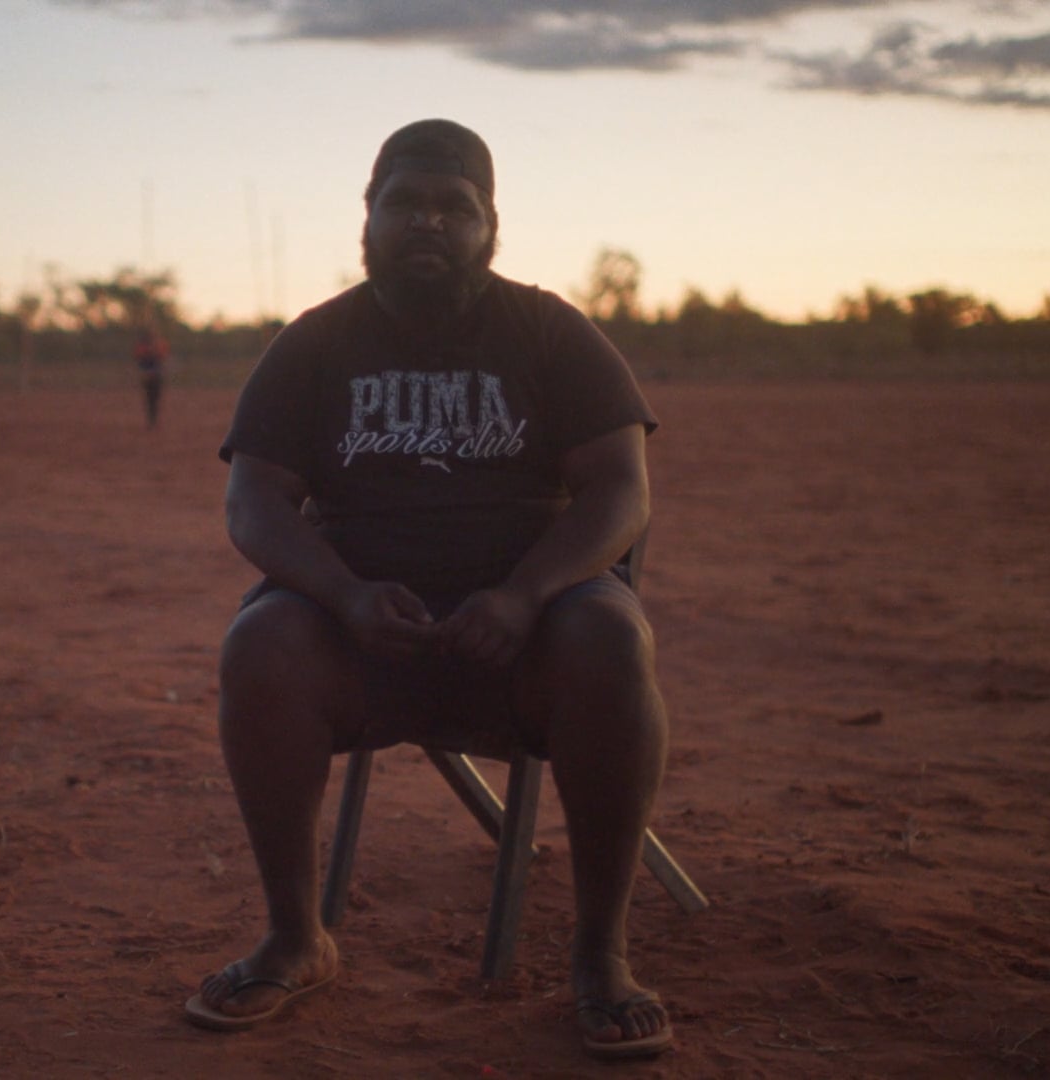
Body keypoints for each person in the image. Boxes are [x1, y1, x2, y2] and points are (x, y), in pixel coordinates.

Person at [185, 119, 674, 1061]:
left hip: (529, 643)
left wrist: (526, 595)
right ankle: (297, 938)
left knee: (612, 638)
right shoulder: (315, 344)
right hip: (364, 644)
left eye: (456, 208)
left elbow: (622, 490)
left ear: (491, 227)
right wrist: (343, 593)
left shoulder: (549, 330)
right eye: (406, 202)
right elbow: (253, 503)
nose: (429, 223)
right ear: (367, 217)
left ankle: (600, 957)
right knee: (261, 645)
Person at [133, 322, 169, 429]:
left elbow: (163, 357)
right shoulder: (142, 346)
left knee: (155, 399)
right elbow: (140, 360)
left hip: (156, 375)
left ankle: (153, 420)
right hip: (148, 376)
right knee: (150, 399)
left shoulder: (160, 344)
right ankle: (151, 421)